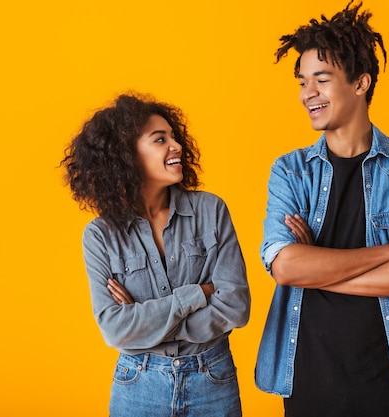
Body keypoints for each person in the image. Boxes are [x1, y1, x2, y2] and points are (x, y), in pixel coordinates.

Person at [255, 2, 389, 416]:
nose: (308, 92)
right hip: (310, 380)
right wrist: (385, 253)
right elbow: (286, 267)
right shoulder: (291, 171)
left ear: (361, 82)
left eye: (322, 79)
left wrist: (319, 271)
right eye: (303, 81)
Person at [61, 93, 250, 417]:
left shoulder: (211, 210)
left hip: (212, 378)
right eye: (160, 140)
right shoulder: (100, 236)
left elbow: (235, 307)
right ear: (125, 156)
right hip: (139, 383)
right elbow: (114, 328)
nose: (175, 146)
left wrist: (145, 320)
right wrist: (196, 295)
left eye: (173, 137)